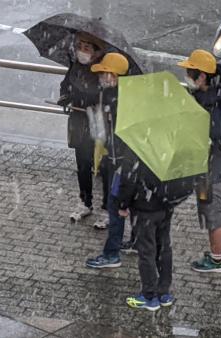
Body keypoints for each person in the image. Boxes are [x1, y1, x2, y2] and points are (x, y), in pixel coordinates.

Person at [177, 50, 221, 273]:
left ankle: (217, 259)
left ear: (201, 76)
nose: (187, 76)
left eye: (190, 72)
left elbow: (194, 138)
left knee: (213, 214)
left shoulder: (202, 104)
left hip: (208, 169)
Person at [115, 143, 177, 311]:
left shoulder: (138, 143)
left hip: (145, 207)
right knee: (164, 247)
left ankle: (149, 295)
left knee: (146, 250)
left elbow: (129, 179)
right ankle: (164, 292)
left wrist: (122, 204)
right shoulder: (169, 142)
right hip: (165, 204)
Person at [84, 53, 131, 268]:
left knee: (116, 207)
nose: (101, 76)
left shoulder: (117, 100)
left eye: (105, 73)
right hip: (120, 160)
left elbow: (114, 134)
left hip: (120, 162)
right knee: (125, 206)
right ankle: (136, 242)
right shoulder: (119, 95)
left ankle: (112, 254)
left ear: (115, 75)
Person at [58, 32, 109, 228]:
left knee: (105, 168)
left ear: (97, 52)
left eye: (88, 47)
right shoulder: (75, 66)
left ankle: (107, 209)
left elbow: (106, 94)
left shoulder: (105, 70)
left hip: (100, 123)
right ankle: (85, 202)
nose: (82, 50)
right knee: (83, 164)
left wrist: (97, 105)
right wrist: (66, 98)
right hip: (79, 120)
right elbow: (66, 86)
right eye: (80, 46)